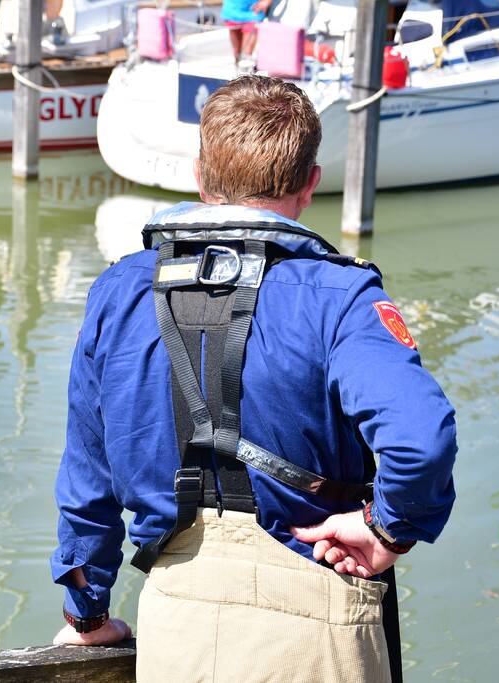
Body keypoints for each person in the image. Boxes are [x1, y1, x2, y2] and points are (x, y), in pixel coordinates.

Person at [50, 75, 457, 682]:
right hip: (318, 617)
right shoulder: (339, 297)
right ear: (311, 183)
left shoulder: (117, 292)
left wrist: (88, 617)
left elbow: (88, 484)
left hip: (175, 622)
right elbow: (420, 442)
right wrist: (385, 530)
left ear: (199, 173)